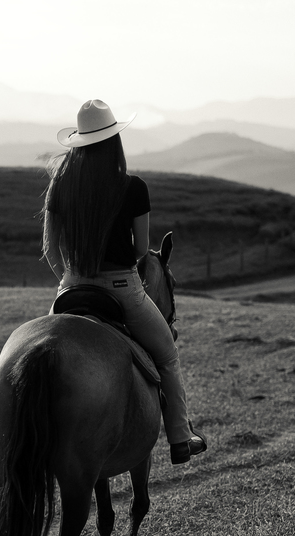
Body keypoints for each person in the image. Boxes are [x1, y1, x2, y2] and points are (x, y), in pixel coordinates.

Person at [43, 99, 207, 464]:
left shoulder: (61, 185)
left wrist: (72, 279)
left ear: (80, 142)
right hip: (121, 289)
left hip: (69, 288)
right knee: (166, 356)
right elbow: (138, 251)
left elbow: (51, 250)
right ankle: (181, 437)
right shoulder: (133, 188)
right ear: (114, 141)